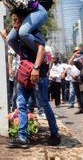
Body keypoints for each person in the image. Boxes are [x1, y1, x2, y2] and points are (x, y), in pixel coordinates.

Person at [5, 11, 60, 148]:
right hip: (24, 75)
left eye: (16, 20)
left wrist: (35, 68)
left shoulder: (34, 31)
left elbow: (41, 49)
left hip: (38, 75)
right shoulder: (18, 34)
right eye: (12, 21)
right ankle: (22, 137)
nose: (14, 24)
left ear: (24, 20)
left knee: (44, 103)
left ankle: (54, 133)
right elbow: (17, 48)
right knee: (21, 104)